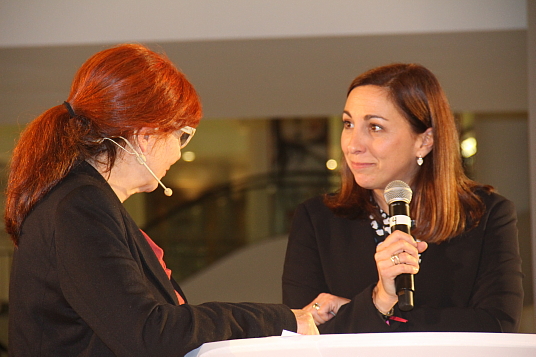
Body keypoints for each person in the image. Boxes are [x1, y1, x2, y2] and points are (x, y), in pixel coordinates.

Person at [5, 43, 318, 357]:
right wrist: (280, 319)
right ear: (146, 136)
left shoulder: (83, 201)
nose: (179, 152)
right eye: (181, 135)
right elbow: (150, 333)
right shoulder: (79, 207)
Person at [282, 63, 524, 333]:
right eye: (348, 124)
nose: (353, 144)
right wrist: (378, 301)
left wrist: (373, 314)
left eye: (375, 127)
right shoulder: (317, 218)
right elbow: (299, 331)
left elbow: (497, 325)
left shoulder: (486, 214)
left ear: (425, 140)